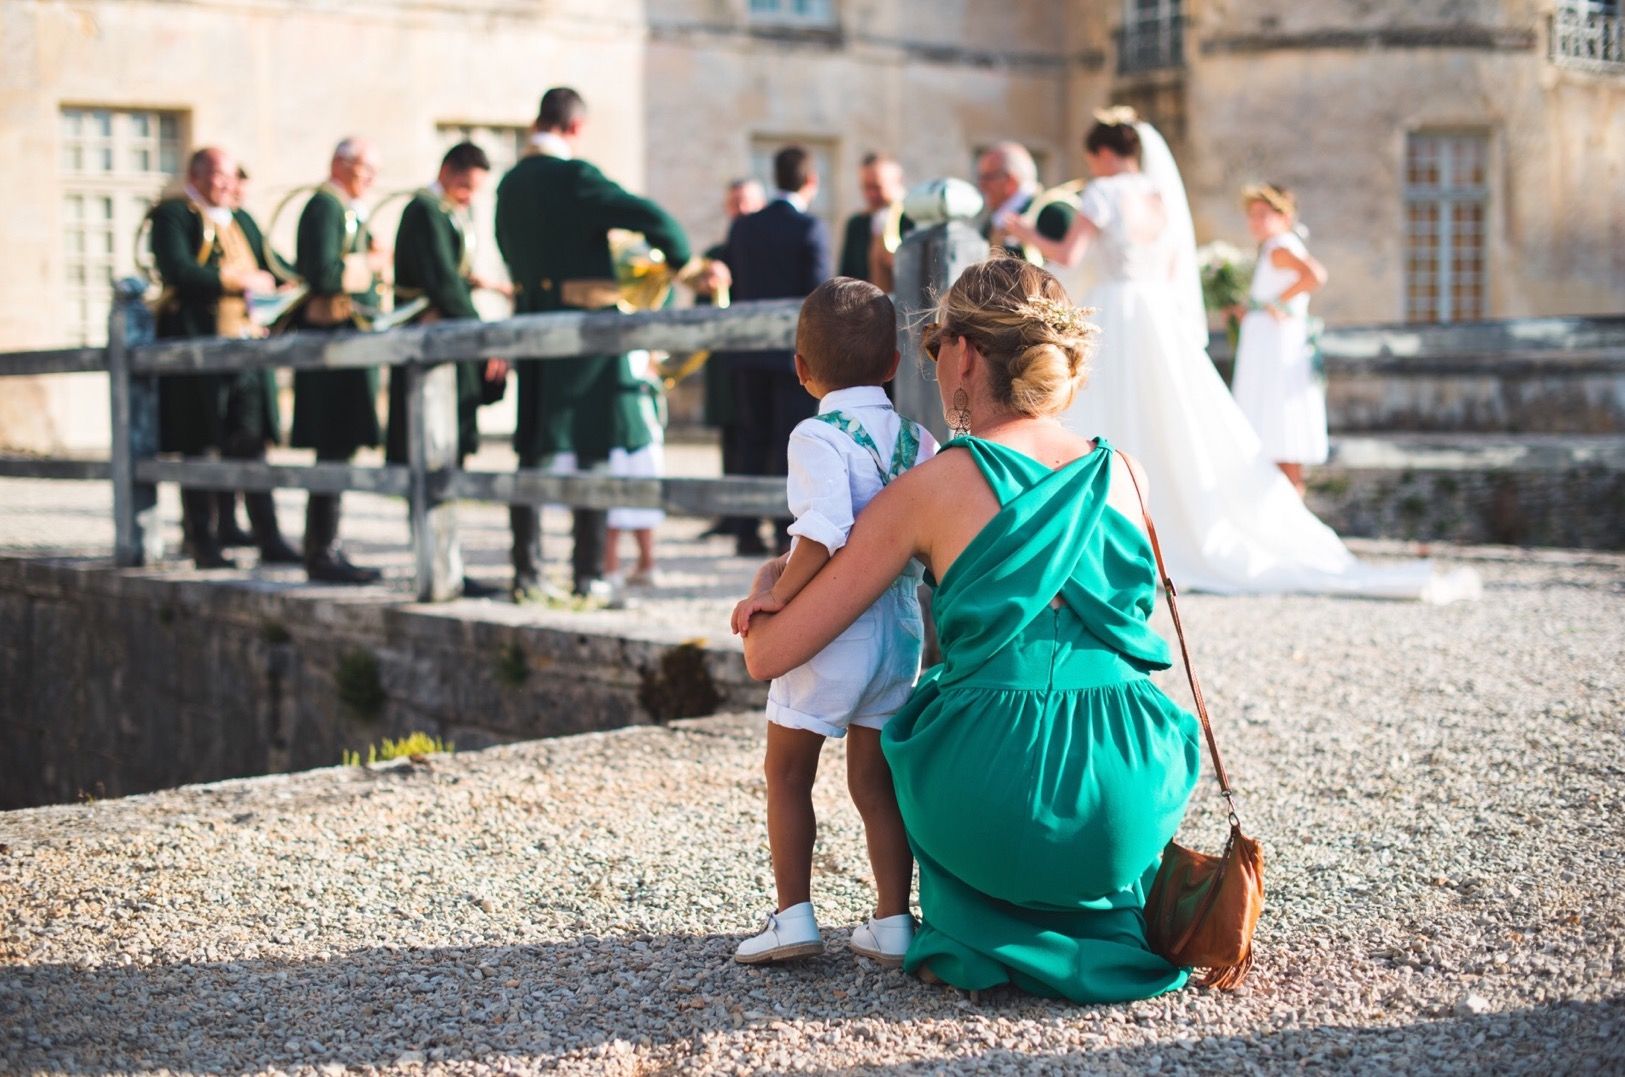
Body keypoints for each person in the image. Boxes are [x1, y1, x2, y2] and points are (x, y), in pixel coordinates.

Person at [738, 257, 1200, 1002]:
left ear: (962, 353)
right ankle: (1094, 904)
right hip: (1124, 801)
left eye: (935, 347)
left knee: (917, 725)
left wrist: (768, 583)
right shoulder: (1127, 475)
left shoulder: (934, 486)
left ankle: (982, 912)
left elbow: (771, 654)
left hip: (989, 798)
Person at [1000, 109, 1478, 601]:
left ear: (1101, 154)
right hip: (1157, 314)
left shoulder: (1101, 193)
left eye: (1092, 158)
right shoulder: (1159, 196)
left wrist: (1023, 231)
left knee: (1108, 411)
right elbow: (1170, 267)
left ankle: (1099, 532)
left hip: (1116, 308)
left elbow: (1069, 255)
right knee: (1176, 418)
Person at [729, 277, 938, 967]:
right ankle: (890, 919)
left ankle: (792, 915)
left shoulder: (817, 435)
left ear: (801, 368)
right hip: (899, 634)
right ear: (892, 364)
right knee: (873, 782)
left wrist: (778, 598)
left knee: (787, 772)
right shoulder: (919, 440)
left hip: (834, 632)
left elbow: (821, 532)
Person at [496, 86, 692, 603]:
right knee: (593, 449)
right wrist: (677, 257)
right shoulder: (575, 177)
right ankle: (588, 575)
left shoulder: (510, 183)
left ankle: (526, 572)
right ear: (576, 128)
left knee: (532, 449)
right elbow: (655, 219)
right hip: (585, 335)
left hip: (531, 327)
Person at [150, 146, 291, 569]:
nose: (230, 185)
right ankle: (202, 540)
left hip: (246, 348)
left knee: (251, 445)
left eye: (234, 177)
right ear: (198, 175)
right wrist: (239, 280)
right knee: (200, 446)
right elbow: (178, 271)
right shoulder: (175, 216)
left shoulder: (243, 219)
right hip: (198, 349)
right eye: (221, 176)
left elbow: (275, 266)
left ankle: (270, 537)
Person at [383, 141, 510, 597]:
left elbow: (454, 275)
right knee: (430, 454)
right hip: (432, 346)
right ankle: (436, 563)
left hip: (448, 343)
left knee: (449, 455)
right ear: (447, 171)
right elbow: (439, 279)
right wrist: (485, 338)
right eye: (464, 186)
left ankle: (447, 561)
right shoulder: (424, 210)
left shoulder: (447, 212)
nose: (468, 196)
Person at [288, 137, 391, 585]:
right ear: (341, 164)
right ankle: (321, 552)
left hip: (348, 338)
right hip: (330, 340)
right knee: (332, 444)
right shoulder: (325, 207)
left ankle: (327, 547)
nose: (371, 179)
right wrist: (371, 263)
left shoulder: (347, 210)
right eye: (365, 168)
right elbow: (324, 274)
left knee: (341, 446)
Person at [724, 144, 832, 555]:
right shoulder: (810, 228)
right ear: (811, 181)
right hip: (794, 356)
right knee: (793, 442)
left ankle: (745, 530)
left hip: (748, 349)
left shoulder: (744, 227)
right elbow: (819, 292)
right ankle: (788, 531)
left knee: (752, 439)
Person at [1230, 184, 1328, 497]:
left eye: (1262, 214)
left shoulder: (1279, 248)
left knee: (1277, 424)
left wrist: (1279, 302)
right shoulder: (1277, 247)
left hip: (1275, 349)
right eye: (1251, 216)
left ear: (1283, 216)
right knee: (1275, 426)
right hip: (1270, 343)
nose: (1254, 222)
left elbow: (1315, 275)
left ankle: (1289, 506)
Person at [698, 178, 766, 540]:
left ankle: (758, 520)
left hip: (763, 363)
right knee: (730, 434)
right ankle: (733, 515)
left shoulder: (770, 252)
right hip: (728, 363)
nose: (740, 211)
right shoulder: (717, 255)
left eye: (747, 204)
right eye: (735, 204)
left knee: (762, 438)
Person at [975, 142, 1075, 258]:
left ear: (1011, 181)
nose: (981, 185)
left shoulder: (1054, 212)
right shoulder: (993, 219)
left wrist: (1032, 238)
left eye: (987, 177)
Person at [838, 152, 910, 291]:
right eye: (866, 187)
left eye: (877, 187)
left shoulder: (913, 221)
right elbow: (845, 278)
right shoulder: (857, 224)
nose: (870, 194)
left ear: (897, 183)